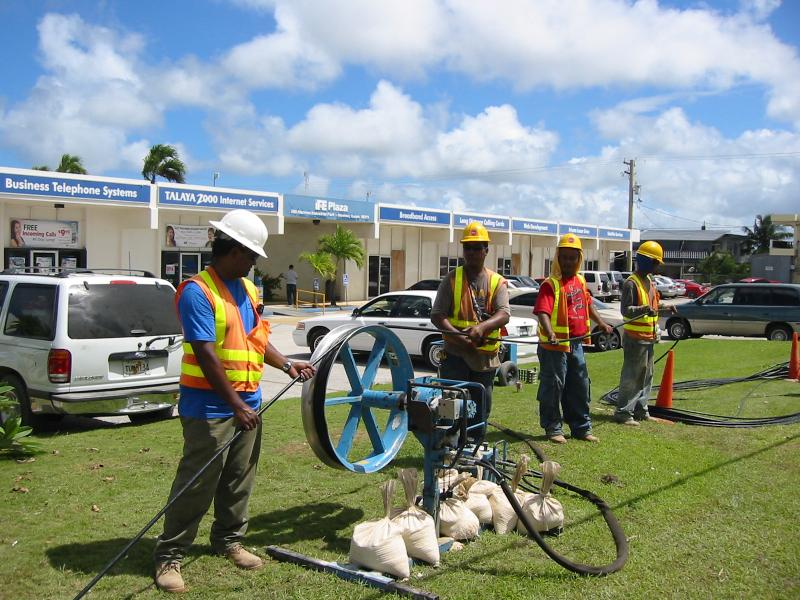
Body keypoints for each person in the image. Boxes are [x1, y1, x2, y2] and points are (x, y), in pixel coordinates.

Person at [153, 209, 315, 594]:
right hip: (210, 407)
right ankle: (169, 555)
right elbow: (206, 353)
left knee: (239, 477)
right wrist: (235, 406)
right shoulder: (197, 292)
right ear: (235, 250)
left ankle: (229, 540)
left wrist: (286, 364)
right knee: (197, 483)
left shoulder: (249, 290)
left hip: (248, 401)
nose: (254, 263)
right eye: (252, 256)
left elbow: (256, 340)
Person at [534, 234, 613, 444]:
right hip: (554, 347)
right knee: (553, 387)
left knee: (579, 385)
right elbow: (542, 312)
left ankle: (581, 428)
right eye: (564, 257)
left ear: (579, 259)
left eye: (572, 258)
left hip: (576, 344)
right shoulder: (550, 284)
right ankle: (553, 427)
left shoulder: (580, 281)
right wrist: (550, 332)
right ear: (558, 258)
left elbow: (589, 305)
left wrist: (602, 323)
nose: (568, 262)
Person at [431, 221, 510, 431]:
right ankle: (449, 445)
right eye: (468, 248)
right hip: (455, 355)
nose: (472, 252)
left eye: (477, 248)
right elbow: (437, 315)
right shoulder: (451, 279)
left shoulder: (496, 281)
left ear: (486, 250)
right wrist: (460, 339)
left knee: (480, 407)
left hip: (484, 358)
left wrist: (482, 328)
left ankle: (475, 444)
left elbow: (504, 314)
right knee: (450, 407)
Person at [614, 241, 676, 425]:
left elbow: (653, 305)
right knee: (632, 376)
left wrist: (665, 306)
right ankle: (624, 412)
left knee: (647, 376)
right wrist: (643, 309)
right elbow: (626, 310)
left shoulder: (649, 281)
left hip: (648, 338)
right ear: (647, 261)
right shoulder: (631, 283)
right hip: (635, 339)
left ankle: (641, 410)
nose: (658, 267)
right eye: (656, 262)